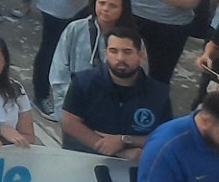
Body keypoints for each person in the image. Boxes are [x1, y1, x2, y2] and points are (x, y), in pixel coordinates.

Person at [62, 26, 172, 160]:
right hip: (85, 159)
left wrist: (125, 140)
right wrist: (115, 151)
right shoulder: (83, 82)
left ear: (140, 55)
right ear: (106, 53)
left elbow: (165, 136)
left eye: (127, 52)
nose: (120, 58)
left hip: (137, 163)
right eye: (113, 51)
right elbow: (69, 123)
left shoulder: (158, 93)